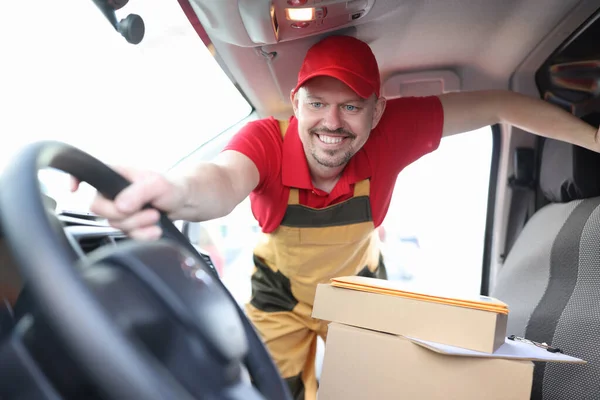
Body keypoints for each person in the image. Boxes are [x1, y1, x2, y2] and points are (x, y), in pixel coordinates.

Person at [73, 35, 600, 399]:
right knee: (273, 392)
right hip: (279, 292)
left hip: (359, 284)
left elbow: (504, 104)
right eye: (317, 103)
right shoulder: (265, 139)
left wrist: (595, 139)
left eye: (351, 106)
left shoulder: (395, 130)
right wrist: (172, 189)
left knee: (378, 389)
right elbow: (221, 182)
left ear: (377, 112)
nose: (332, 122)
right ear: (296, 104)